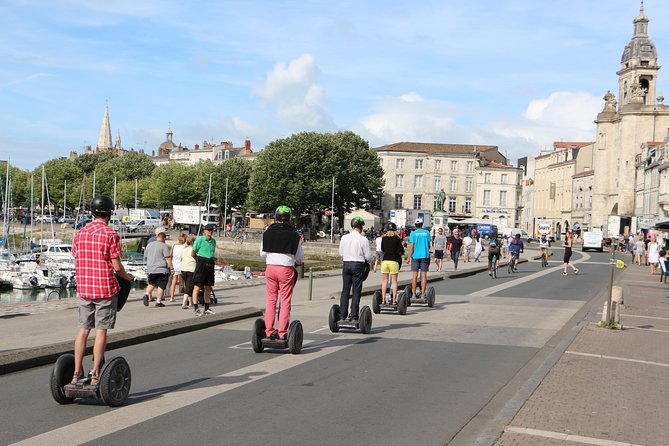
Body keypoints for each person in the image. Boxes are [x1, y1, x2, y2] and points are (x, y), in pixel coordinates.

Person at [71, 195, 134, 385]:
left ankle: (75, 373)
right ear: (109, 213)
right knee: (101, 331)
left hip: (84, 288)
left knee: (83, 330)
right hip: (105, 290)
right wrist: (127, 277)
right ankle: (96, 374)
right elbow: (116, 266)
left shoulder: (80, 233)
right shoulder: (110, 235)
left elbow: (76, 257)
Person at [260, 205, 304, 340]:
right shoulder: (294, 235)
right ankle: (282, 332)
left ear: (276, 217)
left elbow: (262, 254)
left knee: (270, 300)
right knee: (285, 301)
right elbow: (299, 258)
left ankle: (268, 331)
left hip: (271, 268)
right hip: (286, 269)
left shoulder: (267, 233)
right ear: (290, 217)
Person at [339, 216, 373, 322]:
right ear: (361, 227)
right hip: (358, 265)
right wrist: (371, 260)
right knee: (356, 291)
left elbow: (341, 252)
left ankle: (342, 315)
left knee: (345, 290)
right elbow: (368, 257)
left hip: (346, 263)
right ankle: (354, 316)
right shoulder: (363, 239)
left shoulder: (344, 238)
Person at [142, 226, 173, 308]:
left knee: (152, 283)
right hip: (162, 269)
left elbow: (145, 256)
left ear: (156, 236)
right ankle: (158, 301)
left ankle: (146, 294)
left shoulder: (149, 245)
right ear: (164, 237)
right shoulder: (164, 246)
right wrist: (171, 268)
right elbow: (167, 258)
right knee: (161, 286)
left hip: (151, 269)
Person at [191, 224, 217, 316]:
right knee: (197, 286)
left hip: (210, 263)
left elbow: (212, 252)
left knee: (208, 287)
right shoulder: (200, 240)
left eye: (211, 230)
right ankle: (196, 308)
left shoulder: (213, 241)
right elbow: (193, 253)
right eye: (208, 230)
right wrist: (199, 260)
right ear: (204, 231)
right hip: (201, 262)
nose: (210, 232)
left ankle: (207, 308)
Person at [406, 218, 432, 298]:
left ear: (415, 225)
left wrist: (408, 257)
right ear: (422, 224)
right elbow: (429, 244)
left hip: (416, 256)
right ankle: (423, 294)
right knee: (424, 275)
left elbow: (411, 246)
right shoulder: (427, 232)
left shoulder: (413, 233)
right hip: (425, 255)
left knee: (414, 275)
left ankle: (413, 294)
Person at [380, 222, 404, 304]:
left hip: (385, 261)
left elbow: (382, 249)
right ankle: (394, 300)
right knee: (394, 281)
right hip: (394, 261)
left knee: (384, 281)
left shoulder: (384, 238)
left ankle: (383, 300)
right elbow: (401, 250)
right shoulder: (397, 238)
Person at [168, 232, 187, 302]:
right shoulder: (184, 246)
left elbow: (170, 255)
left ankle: (172, 297)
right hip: (182, 265)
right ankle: (186, 296)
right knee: (184, 281)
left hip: (175, 265)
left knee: (174, 281)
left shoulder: (173, 246)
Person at [180, 235, 196, 309]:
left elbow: (181, 258)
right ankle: (184, 303)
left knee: (187, 285)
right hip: (191, 269)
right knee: (189, 287)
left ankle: (190, 302)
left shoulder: (184, 250)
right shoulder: (194, 250)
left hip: (183, 269)